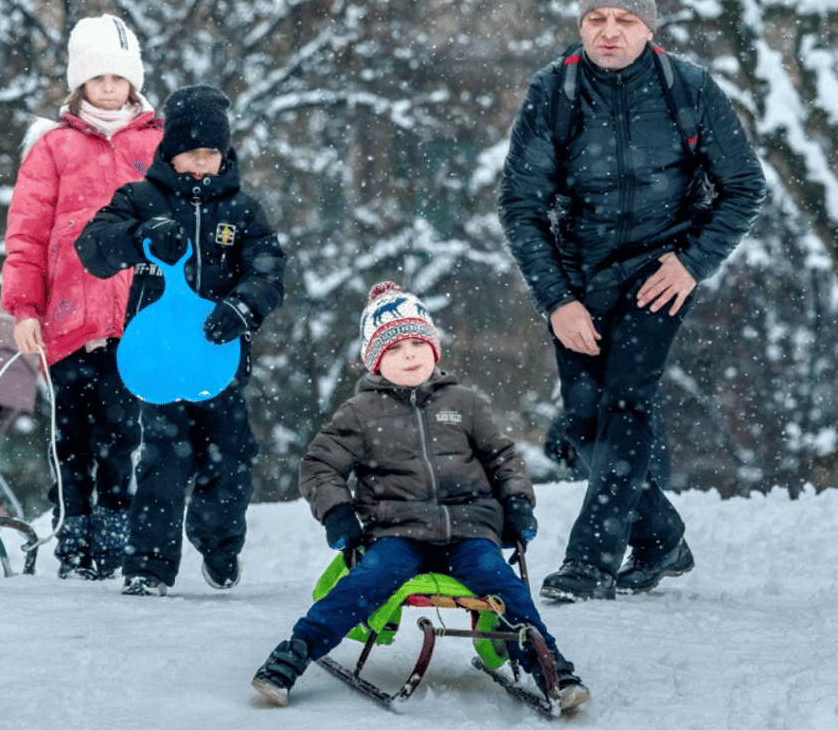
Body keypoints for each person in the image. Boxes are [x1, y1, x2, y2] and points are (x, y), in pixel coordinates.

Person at [499, 0, 766, 601]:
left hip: (659, 275)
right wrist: (557, 300)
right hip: (578, 277)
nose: (610, 33)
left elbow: (745, 188)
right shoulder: (553, 92)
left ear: (649, 27)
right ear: (581, 23)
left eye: (626, 21)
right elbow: (520, 205)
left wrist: (693, 261)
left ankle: (590, 562)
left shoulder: (689, 90)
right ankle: (661, 538)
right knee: (584, 426)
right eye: (598, 19)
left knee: (627, 404)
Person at [250, 282, 590, 713]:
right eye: (394, 349)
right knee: (363, 583)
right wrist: (337, 512)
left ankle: (552, 670)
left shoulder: (464, 402)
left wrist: (518, 501)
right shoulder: (360, 413)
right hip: (398, 533)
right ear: (374, 361)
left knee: (504, 586)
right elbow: (318, 466)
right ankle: (291, 657)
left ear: (434, 348)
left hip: (469, 531)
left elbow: (503, 457)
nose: (409, 354)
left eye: (417, 343)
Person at [75, 84, 285, 596]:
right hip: (160, 360)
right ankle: (149, 566)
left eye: (211, 154)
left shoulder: (242, 211)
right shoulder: (140, 199)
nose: (201, 164)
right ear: (170, 152)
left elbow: (268, 271)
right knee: (163, 461)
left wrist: (241, 308)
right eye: (191, 153)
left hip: (219, 361)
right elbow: (92, 248)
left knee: (233, 457)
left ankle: (218, 541)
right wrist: (142, 235)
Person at [1, 13, 162, 581]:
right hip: (66, 318)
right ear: (81, 83)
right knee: (71, 435)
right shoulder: (54, 148)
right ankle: (73, 529)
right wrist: (24, 308)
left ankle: (115, 529)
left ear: (134, 81)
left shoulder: (156, 144)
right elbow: (26, 233)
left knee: (122, 431)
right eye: (99, 78)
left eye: (120, 77)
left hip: (134, 317)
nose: (111, 87)